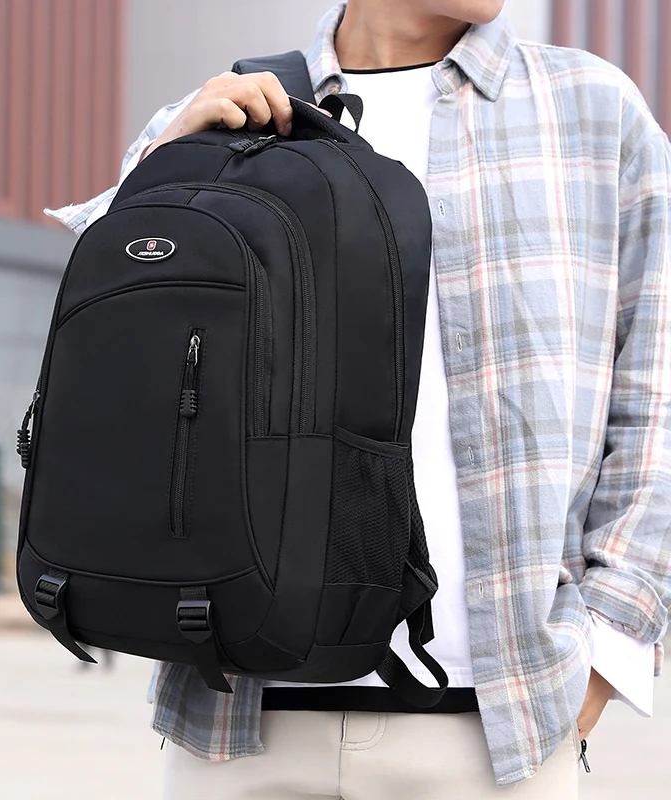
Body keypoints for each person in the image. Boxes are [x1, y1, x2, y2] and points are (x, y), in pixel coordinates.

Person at [48, 1, 671, 796]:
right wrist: (164, 161)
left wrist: (607, 650)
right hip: (235, 724)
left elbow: (656, 394)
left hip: (496, 733)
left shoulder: (590, 112)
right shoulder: (227, 110)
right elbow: (110, 369)